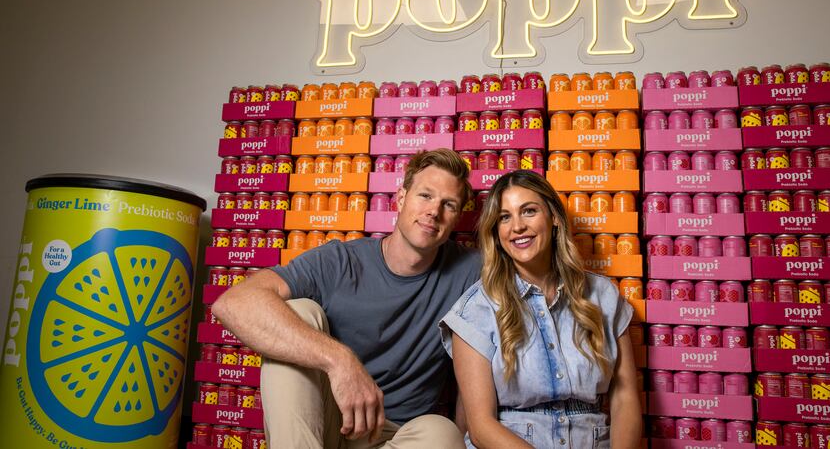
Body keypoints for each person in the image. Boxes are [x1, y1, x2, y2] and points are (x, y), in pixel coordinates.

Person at [212, 149, 481, 448]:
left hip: (395, 437)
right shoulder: (340, 260)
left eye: (449, 204)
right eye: (425, 196)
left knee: (441, 434)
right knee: (299, 312)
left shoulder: (470, 271)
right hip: (326, 424)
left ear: (457, 218)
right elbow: (233, 303)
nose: (434, 211)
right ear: (401, 198)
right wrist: (339, 361)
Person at [440, 170, 641, 448]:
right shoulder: (474, 310)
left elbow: (625, 399)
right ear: (496, 233)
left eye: (529, 211)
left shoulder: (602, 295)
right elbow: (481, 428)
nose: (517, 226)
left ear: (555, 218)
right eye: (504, 217)